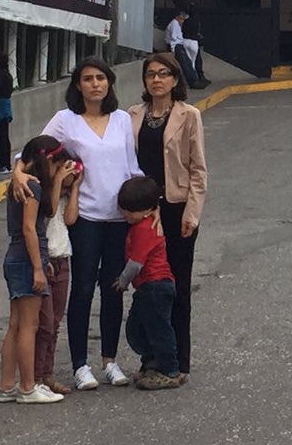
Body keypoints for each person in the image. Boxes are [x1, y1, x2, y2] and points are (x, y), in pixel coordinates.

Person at [12, 56, 142, 391]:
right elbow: (32, 154)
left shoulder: (122, 120)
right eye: (88, 78)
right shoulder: (65, 120)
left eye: (101, 77)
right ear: (78, 84)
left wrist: (147, 205)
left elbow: (132, 166)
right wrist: (17, 172)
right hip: (83, 219)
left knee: (114, 290)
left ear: (109, 82)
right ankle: (81, 365)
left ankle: (110, 361)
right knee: (82, 291)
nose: (95, 84)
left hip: (118, 219)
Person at [129, 53, 207, 383]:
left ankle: (178, 362)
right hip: (140, 213)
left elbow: (198, 169)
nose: (157, 79)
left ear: (175, 79)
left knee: (175, 288)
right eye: (151, 74)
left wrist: (192, 212)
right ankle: (151, 357)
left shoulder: (189, 116)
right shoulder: (133, 115)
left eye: (164, 74)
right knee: (146, 288)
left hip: (176, 211)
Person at [0, 135, 77, 405]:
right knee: (29, 326)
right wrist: (38, 268)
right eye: (57, 166)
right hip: (27, 258)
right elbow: (30, 228)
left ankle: (7, 386)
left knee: (15, 325)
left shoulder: (20, 183)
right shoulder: (33, 186)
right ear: (50, 161)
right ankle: (29, 386)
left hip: (14, 256)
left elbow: (47, 212)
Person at [114, 176, 183, 391]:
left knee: (157, 328)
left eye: (129, 211)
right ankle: (152, 363)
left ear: (147, 210)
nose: (125, 214)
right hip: (149, 286)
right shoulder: (140, 224)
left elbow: (136, 263)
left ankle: (169, 369)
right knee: (140, 327)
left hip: (155, 285)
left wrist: (122, 282)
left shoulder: (145, 229)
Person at [34, 154, 82, 396]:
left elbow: (70, 218)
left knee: (54, 323)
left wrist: (74, 189)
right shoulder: (43, 196)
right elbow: (50, 212)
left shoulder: (63, 197)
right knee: (43, 323)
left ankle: (48, 373)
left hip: (63, 258)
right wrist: (57, 182)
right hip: (46, 260)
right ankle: (36, 375)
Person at [165, 9, 201, 89]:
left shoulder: (176, 24)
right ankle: (192, 82)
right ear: (179, 17)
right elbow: (173, 39)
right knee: (185, 64)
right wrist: (173, 50)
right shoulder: (174, 24)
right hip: (176, 46)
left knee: (187, 63)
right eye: (182, 19)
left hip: (179, 45)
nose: (183, 21)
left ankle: (193, 80)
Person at [182, 2, 210, 86]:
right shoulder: (196, 22)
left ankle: (188, 79)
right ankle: (194, 79)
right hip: (193, 42)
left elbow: (183, 31)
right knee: (193, 61)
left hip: (185, 40)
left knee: (187, 61)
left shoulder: (185, 21)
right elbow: (197, 32)